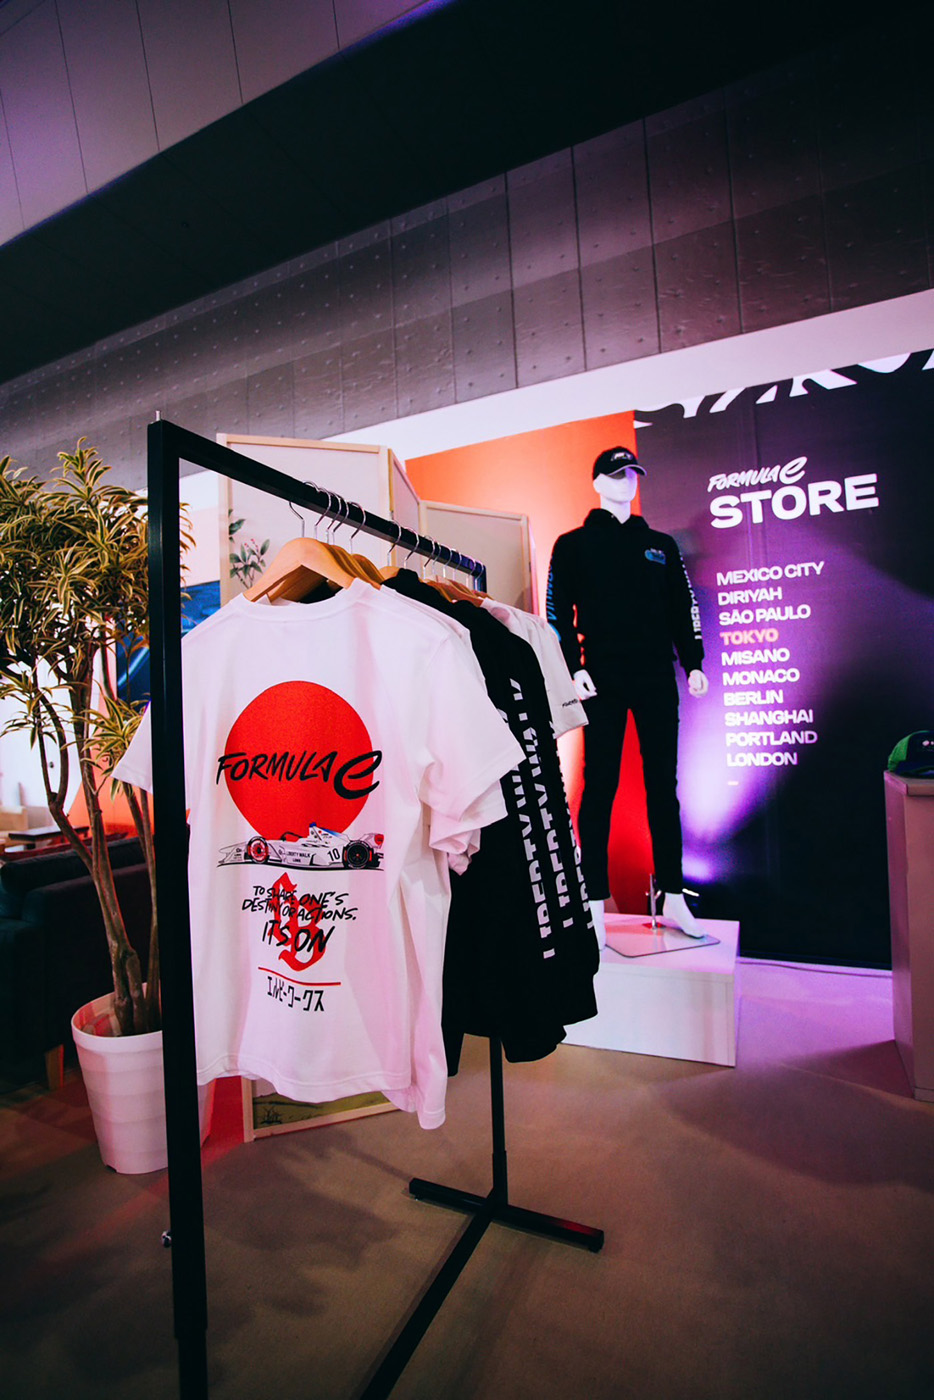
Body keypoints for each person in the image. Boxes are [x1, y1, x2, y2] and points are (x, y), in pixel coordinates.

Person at [546, 445, 707, 944]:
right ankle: (593, 898)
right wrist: (573, 668)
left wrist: (694, 661)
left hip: (657, 674)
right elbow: (557, 611)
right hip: (603, 676)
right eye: (617, 475)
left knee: (664, 787)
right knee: (600, 785)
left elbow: (683, 605)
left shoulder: (659, 545)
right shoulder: (573, 545)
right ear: (598, 482)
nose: (627, 483)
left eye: (633, 474)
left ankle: (674, 893)